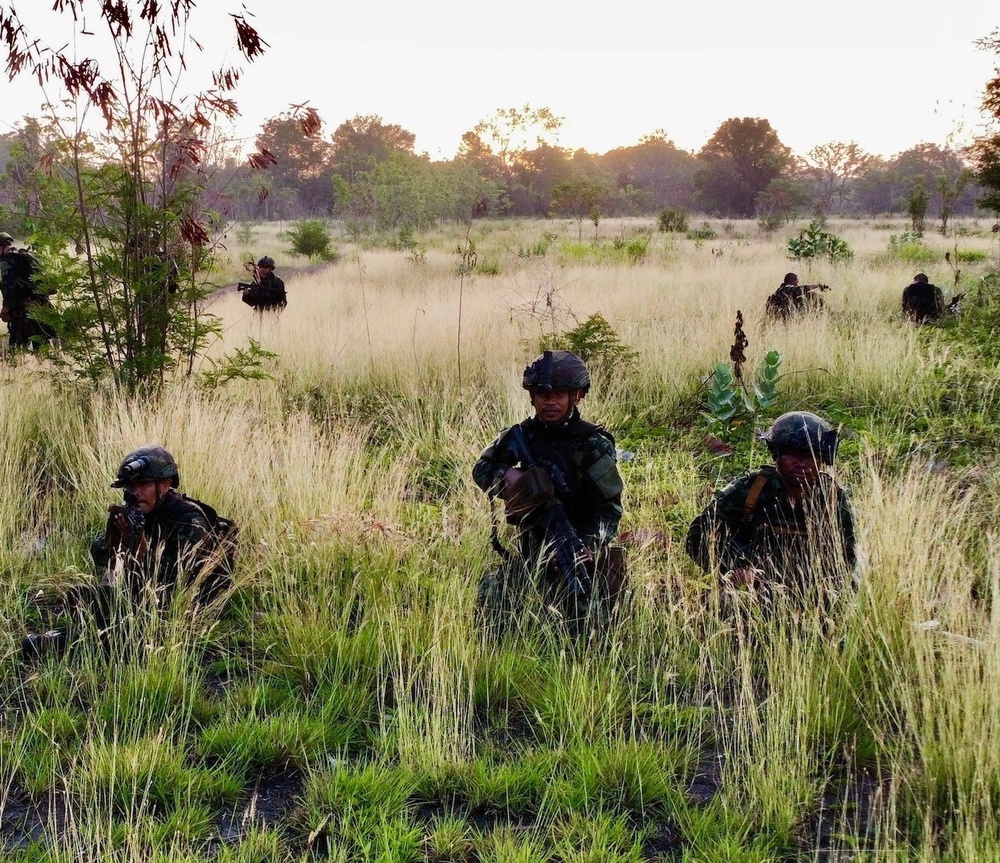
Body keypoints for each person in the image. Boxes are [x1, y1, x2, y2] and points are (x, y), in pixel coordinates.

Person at [23, 445, 235, 659]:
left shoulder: (190, 521)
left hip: (189, 605)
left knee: (129, 638)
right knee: (84, 598)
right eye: (131, 486)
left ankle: (60, 643)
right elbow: (99, 554)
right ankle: (82, 634)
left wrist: (141, 548)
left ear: (165, 485)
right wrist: (119, 539)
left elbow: (176, 581)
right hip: (146, 596)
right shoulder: (137, 510)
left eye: (143, 484)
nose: (136, 492)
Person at [472, 350, 625, 620]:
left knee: (589, 614)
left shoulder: (592, 444)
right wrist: (513, 480)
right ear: (532, 397)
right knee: (492, 601)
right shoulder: (521, 436)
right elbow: (482, 469)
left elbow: (609, 509)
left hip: (579, 549)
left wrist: (587, 546)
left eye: (559, 394)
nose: (550, 402)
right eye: (543, 395)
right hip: (533, 553)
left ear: (575, 396)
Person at [685, 411, 855, 605]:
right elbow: (698, 534)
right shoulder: (750, 489)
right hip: (749, 592)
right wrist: (733, 568)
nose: (801, 464)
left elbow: (848, 554)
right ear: (777, 454)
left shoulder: (832, 497)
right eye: (793, 455)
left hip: (810, 595)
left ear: (822, 459)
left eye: (810, 456)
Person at [0, 231, 55, 348]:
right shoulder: (24, 254)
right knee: (41, 340)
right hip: (41, 302)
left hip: (23, 308)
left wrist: (6, 307)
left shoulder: (6, 261)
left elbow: (8, 285)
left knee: (17, 345)